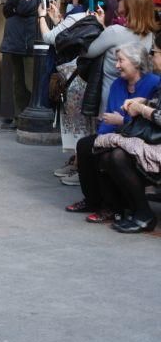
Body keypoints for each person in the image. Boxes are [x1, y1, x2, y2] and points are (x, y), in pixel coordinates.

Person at [66, 42, 160, 227]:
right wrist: (101, 138)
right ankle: (94, 201)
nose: (116, 65)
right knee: (87, 145)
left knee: (112, 155)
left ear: (136, 62)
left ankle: (114, 206)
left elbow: (149, 121)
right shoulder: (118, 84)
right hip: (120, 134)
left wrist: (123, 120)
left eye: (120, 60)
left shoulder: (153, 83)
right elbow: (108, 119)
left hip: (143, 137)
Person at [39, 0, 105, 181]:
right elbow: (74, 37)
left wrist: (41, 17)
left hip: (73, 75)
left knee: (76, 122)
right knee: (86, 122)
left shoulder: (76, 15)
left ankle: (80, 167)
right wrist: (58, 19)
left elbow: (51, 38)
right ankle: (79, 164)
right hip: (87, 75)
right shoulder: (94, 17)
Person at [82, 0, 157, 117]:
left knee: (105, 135)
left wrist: (89, 23)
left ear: (130, 4)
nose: (118, 0)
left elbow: (87, 52)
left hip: (111, 100)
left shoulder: (115, 31)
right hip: (138, 102)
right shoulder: (151, 36)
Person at [0, 0, 41, 129]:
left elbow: (24, 9)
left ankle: (32, 119)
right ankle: (19, 118)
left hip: (28, 44)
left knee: (30, 84)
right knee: (18, 84)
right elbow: (8, 10)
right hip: (16, 45)